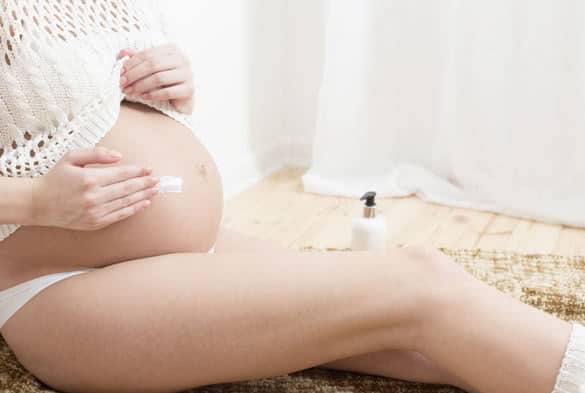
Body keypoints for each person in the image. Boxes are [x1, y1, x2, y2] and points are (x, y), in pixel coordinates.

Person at [0, 1, 582, 393]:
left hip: (175, 258)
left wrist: (172, 84)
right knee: (420, 283)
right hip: (64, 289)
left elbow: (70, 107)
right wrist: (36, 203)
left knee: (434, 343)